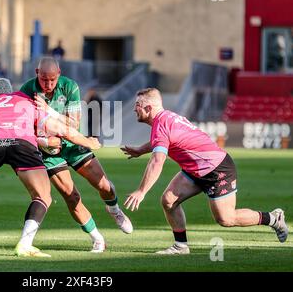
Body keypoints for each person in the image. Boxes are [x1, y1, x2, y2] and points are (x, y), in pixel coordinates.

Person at [0, 78, 101, 257]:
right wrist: (88, 141)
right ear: (11, 91)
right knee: (43, 196)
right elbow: (62, 130)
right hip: (23, 144)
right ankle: (25, 244)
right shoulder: (26, 102)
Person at [121, 88, 289, 254]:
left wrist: (142, 191)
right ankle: (181, 246)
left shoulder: (162, 123)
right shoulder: (166, 119)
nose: (134, 108)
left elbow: (157, 161)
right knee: (168, 201)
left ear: (149, 108)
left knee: (226, 219)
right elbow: (161, 140)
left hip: (217, 169)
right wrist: (141, 150)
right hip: (195, 170)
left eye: (138, 105)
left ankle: (274, 219)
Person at [20, 57, 133, 253]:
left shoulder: (69, 87)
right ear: (37, 73)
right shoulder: (27, 91)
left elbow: (72, 124)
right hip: (48, 152)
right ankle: (97, 238)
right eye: (44, 79)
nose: (48, 84)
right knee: (71, 196)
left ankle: (114, 210)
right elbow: (23, 126)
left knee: (103, 185)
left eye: (52, 80)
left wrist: (48, 111)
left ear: (59, 75)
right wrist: (43, 141)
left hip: (73, 143)